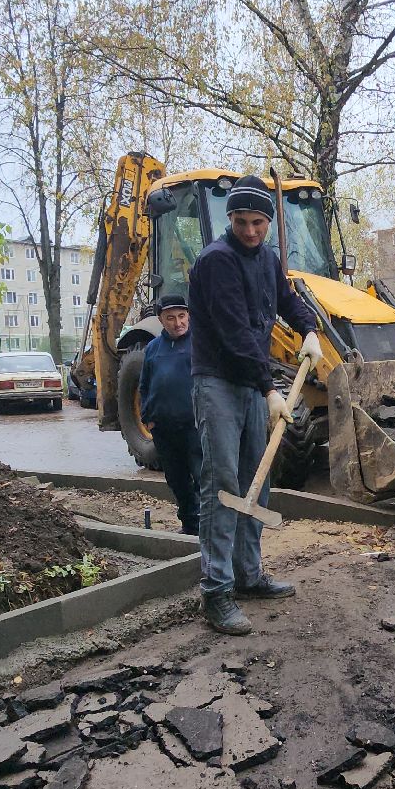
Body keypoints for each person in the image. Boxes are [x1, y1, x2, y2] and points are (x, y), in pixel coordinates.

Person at [187, 175, 324, 635]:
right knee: (223, 484)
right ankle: (216, 591)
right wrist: (270, 388)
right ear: (231, 219)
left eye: (259, 222)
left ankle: (248, 574)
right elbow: (234, 333)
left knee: (256, 481)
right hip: (220, 383)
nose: (251, 231)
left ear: (269, 222)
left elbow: (286, 299)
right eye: (243, 222)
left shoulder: (266, 258)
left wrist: (308, 330)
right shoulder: (216, 262)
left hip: (250, 383)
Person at [139, 295, 201, 536]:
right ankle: (188, 526)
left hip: (194, 426)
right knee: (177, 481)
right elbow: (144, 386)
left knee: (202, 478)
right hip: (164, 429)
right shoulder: (153, 348)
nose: (178, 323)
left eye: (182, 316)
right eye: (171, 318)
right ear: (161, 320)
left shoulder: (200, 344)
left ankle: (208, 528)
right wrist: (148, 418)